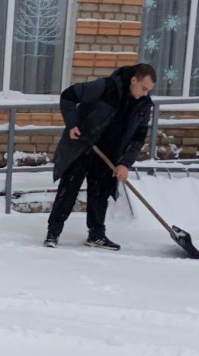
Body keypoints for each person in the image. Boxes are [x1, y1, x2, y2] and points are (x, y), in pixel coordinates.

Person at [45, 63, 156, 251]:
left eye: (149, 90)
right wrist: (72, 124)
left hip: (108, 154)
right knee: (68, 191)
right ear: (133, 80)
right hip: (83, 147)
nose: (145, 93)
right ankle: (53, 233)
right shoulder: (105, 87)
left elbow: (138, 137)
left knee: (100, 195)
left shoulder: (143, 105)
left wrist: (124, 164)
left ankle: (96, 234)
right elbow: (69, 96)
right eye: (143, 88)